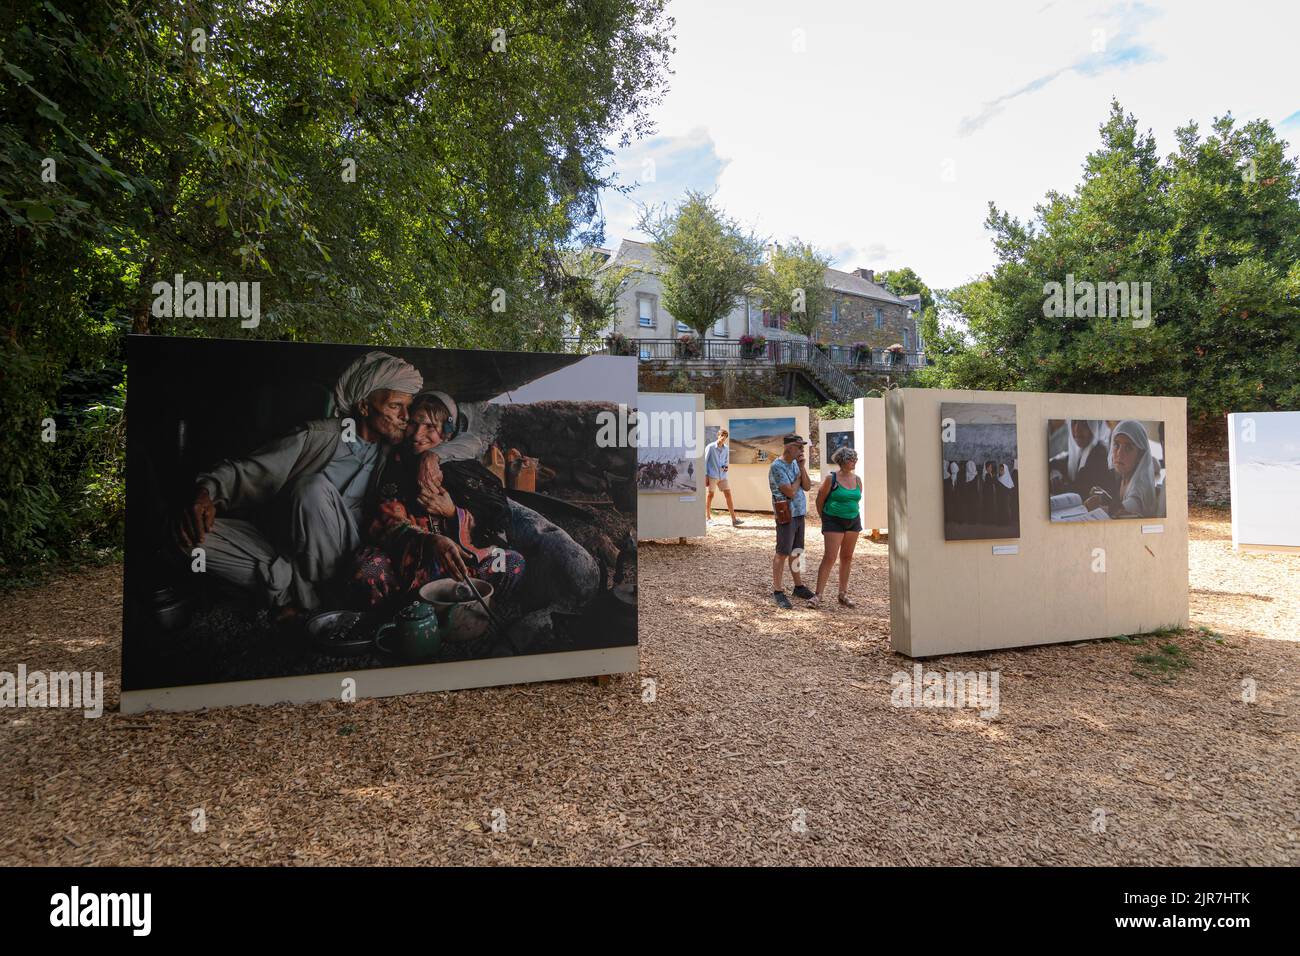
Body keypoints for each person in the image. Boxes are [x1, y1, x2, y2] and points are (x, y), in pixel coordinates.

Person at [170, 350, 422, 618]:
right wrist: (206, 492)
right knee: (187, 535)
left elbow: (459, 442)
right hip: (290, 546)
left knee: (312, 489)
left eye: (408, 406)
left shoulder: (395, 452)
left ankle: (300, 597)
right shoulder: (316, 436)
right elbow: (250, 471)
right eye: (396, 406)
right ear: (363, 407)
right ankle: (304, 594)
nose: (406, 416)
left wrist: (430, 457)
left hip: (348, 555)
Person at [350, 392, 525, 612]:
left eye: (430, 427)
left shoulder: (462, 466)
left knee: (512, 562)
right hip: (410, 568)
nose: (417, 435)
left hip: (460, 567)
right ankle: (402, 617)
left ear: (446, 433)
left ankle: (472, 612)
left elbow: (494, 515)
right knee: (368, 566)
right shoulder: (396, 464)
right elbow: (384, 518)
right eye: (413, 424)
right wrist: (427, 541)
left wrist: (453, 513)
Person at [809, 445, 863, 608]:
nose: (854, 461)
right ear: (842, 461)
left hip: (853, 520)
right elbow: (820, 500)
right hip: (834, 520)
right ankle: (818, 595)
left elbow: (856, 498)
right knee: (830, 557)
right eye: (850, 459)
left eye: (855, 458)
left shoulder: (857, 479)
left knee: (847, 557)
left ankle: (843, 593)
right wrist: (825, 519)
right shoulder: (830, 479)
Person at [768, 433, 814, 608]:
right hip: (786, 514)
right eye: (799, 446)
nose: (802, 449)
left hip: (799, 513)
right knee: (782, 552)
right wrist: (797, 480)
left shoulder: (796, 463)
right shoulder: (777, 466)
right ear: (789, 447)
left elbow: (807, 486)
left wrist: (802, 469)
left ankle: (798, 585)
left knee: (797, 550)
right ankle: (778, 590)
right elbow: (791, 492)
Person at [1086, 420, 1160, 518]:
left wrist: (1095, 506)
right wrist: (1105, 497)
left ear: (1140, 455)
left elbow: (1121, 510)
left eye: (1128, 448)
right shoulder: (1126, 476)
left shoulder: (1139, 488)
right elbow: (1121, 505)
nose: (1119, 453)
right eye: (1116, 445)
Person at [1050, 419, 1112, 500]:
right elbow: (1056, 463)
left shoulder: (1099, 453)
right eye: (1074, 422)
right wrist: (1055, 473)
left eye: (1083, 423)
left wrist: (1058, 482)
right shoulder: (1080, 451)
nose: (1077, 429)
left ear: (1094, 427)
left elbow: (1079, 492)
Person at [705, 428, 742, 526]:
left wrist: (726, 466)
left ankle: (734, 519)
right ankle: (708, 517)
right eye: (721, 436)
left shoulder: (726, 448)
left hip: (722, 475)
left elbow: (725, 460)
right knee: (710, 495)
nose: (722, 438)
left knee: (728, 494)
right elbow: (704, 462)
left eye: (724, 437)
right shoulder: (710, 447)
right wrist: (705, 475)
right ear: (718, 435)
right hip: (712, 475)